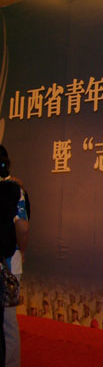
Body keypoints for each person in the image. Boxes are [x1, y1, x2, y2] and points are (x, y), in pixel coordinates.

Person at [0, 145, 29, 367]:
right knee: (8, 322)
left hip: (8, 264)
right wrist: (23, 249)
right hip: (9, 263)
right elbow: (23, 227)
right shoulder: (15, 191)